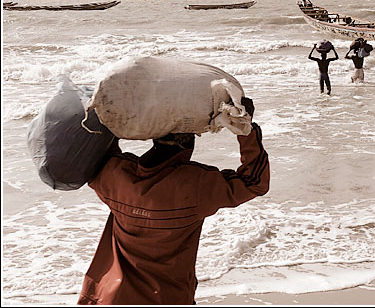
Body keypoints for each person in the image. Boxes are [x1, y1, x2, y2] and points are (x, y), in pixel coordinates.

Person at [77, 97, 269, 304]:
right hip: (169, 298)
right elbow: (254, 181)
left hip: (110, 297)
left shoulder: (114, 175)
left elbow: (97, 151)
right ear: (189, 141)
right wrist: (245, 129)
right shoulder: (196, 184)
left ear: (154, 136)